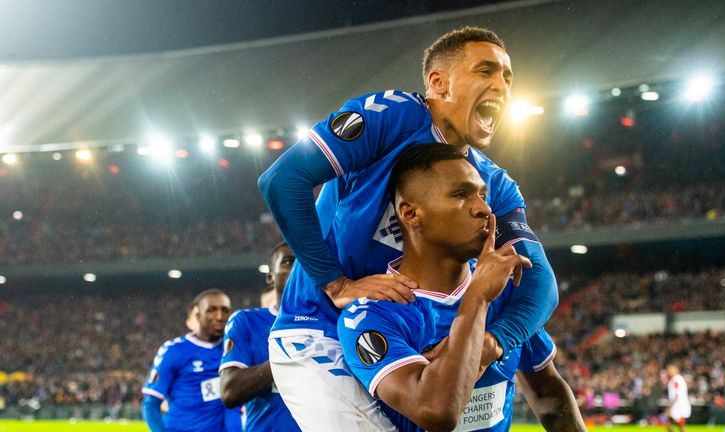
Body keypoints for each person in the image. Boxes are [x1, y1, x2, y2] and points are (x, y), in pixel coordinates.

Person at [259, 26, 559, 430]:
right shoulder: (392, 116)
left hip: (406, 327)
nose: (501, 85)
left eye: (507, 77)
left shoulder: (493, 185)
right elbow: (283, 179)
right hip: (320, 328)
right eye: (485, 71)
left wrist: (496, 342)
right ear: (439, 82)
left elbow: (540, 281)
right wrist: (336, 284)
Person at [337, 143, 585, 431]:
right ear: (410, 214)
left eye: (482, 195)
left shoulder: (507, 295)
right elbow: (437, 410)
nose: (484, 208)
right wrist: (477, 297)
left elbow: (548, 394)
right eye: (460, 194)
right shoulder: (371, 317)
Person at [219, 242, 300, 432]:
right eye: (289, 261)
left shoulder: (334, 320)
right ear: (270, 277)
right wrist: (291, 359)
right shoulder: (246, 321)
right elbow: (229, 392)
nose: (298, 267)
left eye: (304, 261)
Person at [142, 289, 241, 432]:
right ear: (198, 315)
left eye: (225, 310)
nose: (219, 317)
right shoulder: (173, 350)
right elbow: (151, 404)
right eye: (211, 310)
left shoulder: (233, 350)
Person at [665, 364, 691, 432]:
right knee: (672, 422)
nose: (668, 371)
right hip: (679, 404)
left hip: (678, 405)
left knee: (674, 421)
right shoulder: (678, 379)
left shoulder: (676, 379)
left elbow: (677, 394)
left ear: (675, 370)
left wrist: (670, 407)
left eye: (670, 369)